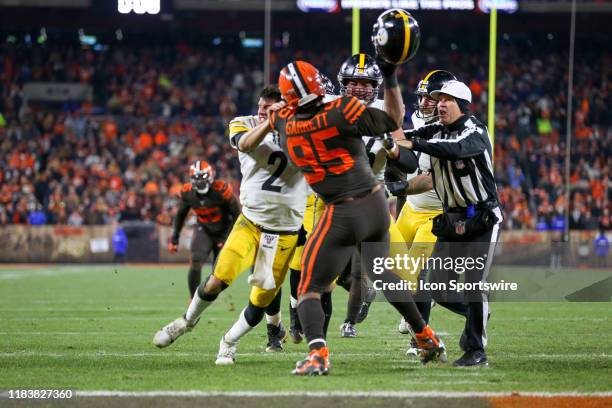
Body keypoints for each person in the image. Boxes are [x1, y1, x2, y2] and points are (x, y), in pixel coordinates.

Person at [273, 60, 445, 376]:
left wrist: (392, 147)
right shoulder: (342, 109)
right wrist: (392, 74)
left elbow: (405, 159)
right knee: (383, 276)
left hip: (341, 208)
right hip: (375, 204)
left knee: (309, 287)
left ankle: (317, 354)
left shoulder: (284, 122)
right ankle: (426, 336)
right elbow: (391, 119)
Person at [153, 86, 309, 360]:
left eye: (270, 107)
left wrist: (287, 123)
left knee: (260, 301)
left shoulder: (305, 131)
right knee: (217, 279)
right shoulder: (243, 123)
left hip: (284, 231)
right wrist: (271, 121)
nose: (263, 111)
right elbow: (245, 143)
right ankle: (185, 323)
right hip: (250, 222)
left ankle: (228, 341)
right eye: (261, 106)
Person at [287, 53, 406, 341]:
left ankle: (420, 331)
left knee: (397, 273)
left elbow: (407, 165)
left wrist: (391, 146)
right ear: (343, 84)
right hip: (330, 200)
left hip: (372, 199)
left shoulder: (387, 111)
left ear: (377, 85)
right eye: (354, 82)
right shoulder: (330, 107)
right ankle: (303, 328)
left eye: (367, 83)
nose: (361, 88)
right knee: (312, 266)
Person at [398, 79, 503, 367]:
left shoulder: (476, 131)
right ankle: (477, 312)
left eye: (446, 100)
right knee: (438, 290)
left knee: (473, 285)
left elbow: (454, 149)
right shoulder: (437, 130)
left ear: (462, 105)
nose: (439, 105)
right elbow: (408, 134)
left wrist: (415, 142)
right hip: (451, 219)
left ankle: (475, 350)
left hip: (481, 217)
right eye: (438, 99)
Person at [387, 70, 456, 357]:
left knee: (416, 277)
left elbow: (428, 179)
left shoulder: (452, 129)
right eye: (424, 97)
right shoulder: (415, 120)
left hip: (436, 211)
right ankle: (415, 308)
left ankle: (419, 340)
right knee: (389, 266)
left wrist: (395, 186)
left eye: (432, 98)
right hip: (411, 209)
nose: (426, 103)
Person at [168, 160, 240, 297]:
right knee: (196, 261)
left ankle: (211, 296)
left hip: (224, 229)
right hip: (204, 229)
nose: (200, 182)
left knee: (219, 272)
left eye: (203, 178)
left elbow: (237, 216)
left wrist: (226, 237)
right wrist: (174, 238)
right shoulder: (187, 192)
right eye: (196, 178)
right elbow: (180, 215)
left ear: (211, 176)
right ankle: (193, 299)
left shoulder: (221, 190)